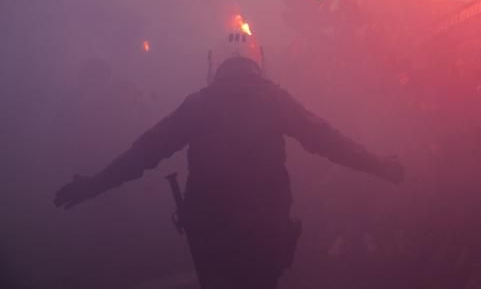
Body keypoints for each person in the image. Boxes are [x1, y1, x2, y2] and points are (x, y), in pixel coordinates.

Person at [54, 27, 404, 289]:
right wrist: (381, 166)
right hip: (265, 237)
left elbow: (144, 153)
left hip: (213, 239)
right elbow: (330, 141)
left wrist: (94, 185)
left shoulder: (199, 105)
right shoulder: (275, 100)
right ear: (258, 62)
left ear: (215, 64)